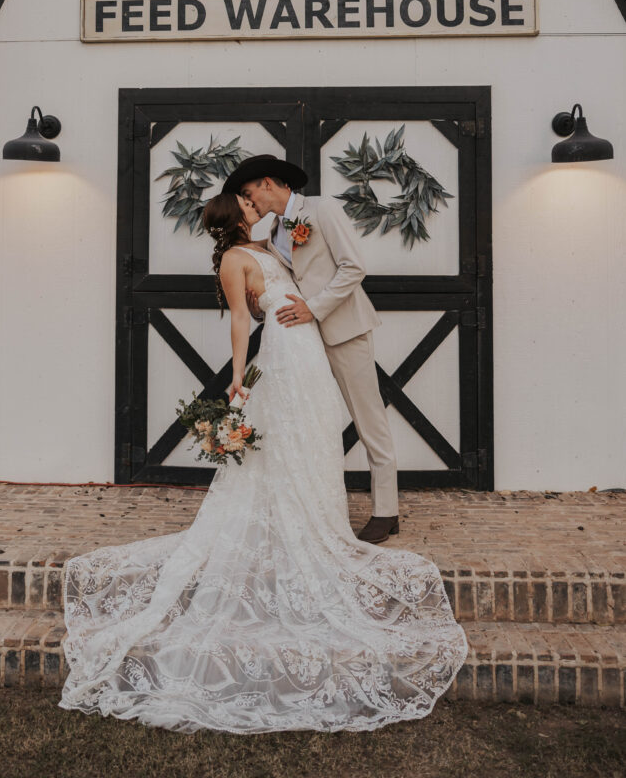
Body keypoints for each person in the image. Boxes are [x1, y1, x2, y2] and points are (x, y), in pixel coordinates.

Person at [57, 181, 468, 733]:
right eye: (249, 204)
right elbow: (240, 319)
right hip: (286, 348)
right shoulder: (236, 257)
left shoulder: (275, 242)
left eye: (257, 198)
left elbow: (335, 270)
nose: (259, 207)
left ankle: (328, 511)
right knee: (292, 433)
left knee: (320, 431)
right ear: (238, 213)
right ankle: (302, 517)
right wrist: (235, 379)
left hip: (313, 343)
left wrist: (302, 299)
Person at [225, 154, 399, 544]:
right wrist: (259, 306)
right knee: (313, 421)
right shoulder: (271, 233)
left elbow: (354, 267)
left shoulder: (322, 209)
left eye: (250, 192)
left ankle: (386, 511)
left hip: (345, 330)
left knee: (368, 418)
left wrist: (314, 308)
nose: (249, 201)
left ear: (268, 183)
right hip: (304, 341)